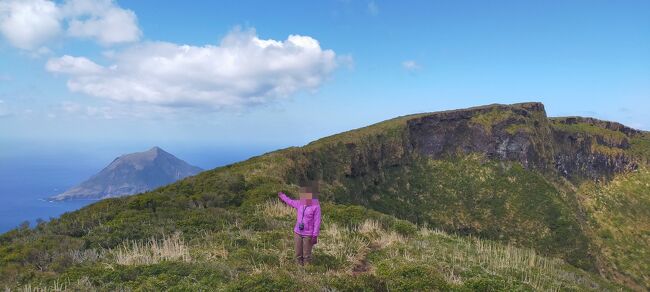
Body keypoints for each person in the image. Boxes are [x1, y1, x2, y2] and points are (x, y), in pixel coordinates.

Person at [278, 182, 321, 266]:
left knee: (306, 256)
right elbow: (290, 202)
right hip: (297, 232)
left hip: (308, 234)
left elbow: (317, 221)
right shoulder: (300, 203)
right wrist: (282, 196)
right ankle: (298, 272)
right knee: (298, 255)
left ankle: (307, 273)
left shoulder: (316, 206)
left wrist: (315, 235)